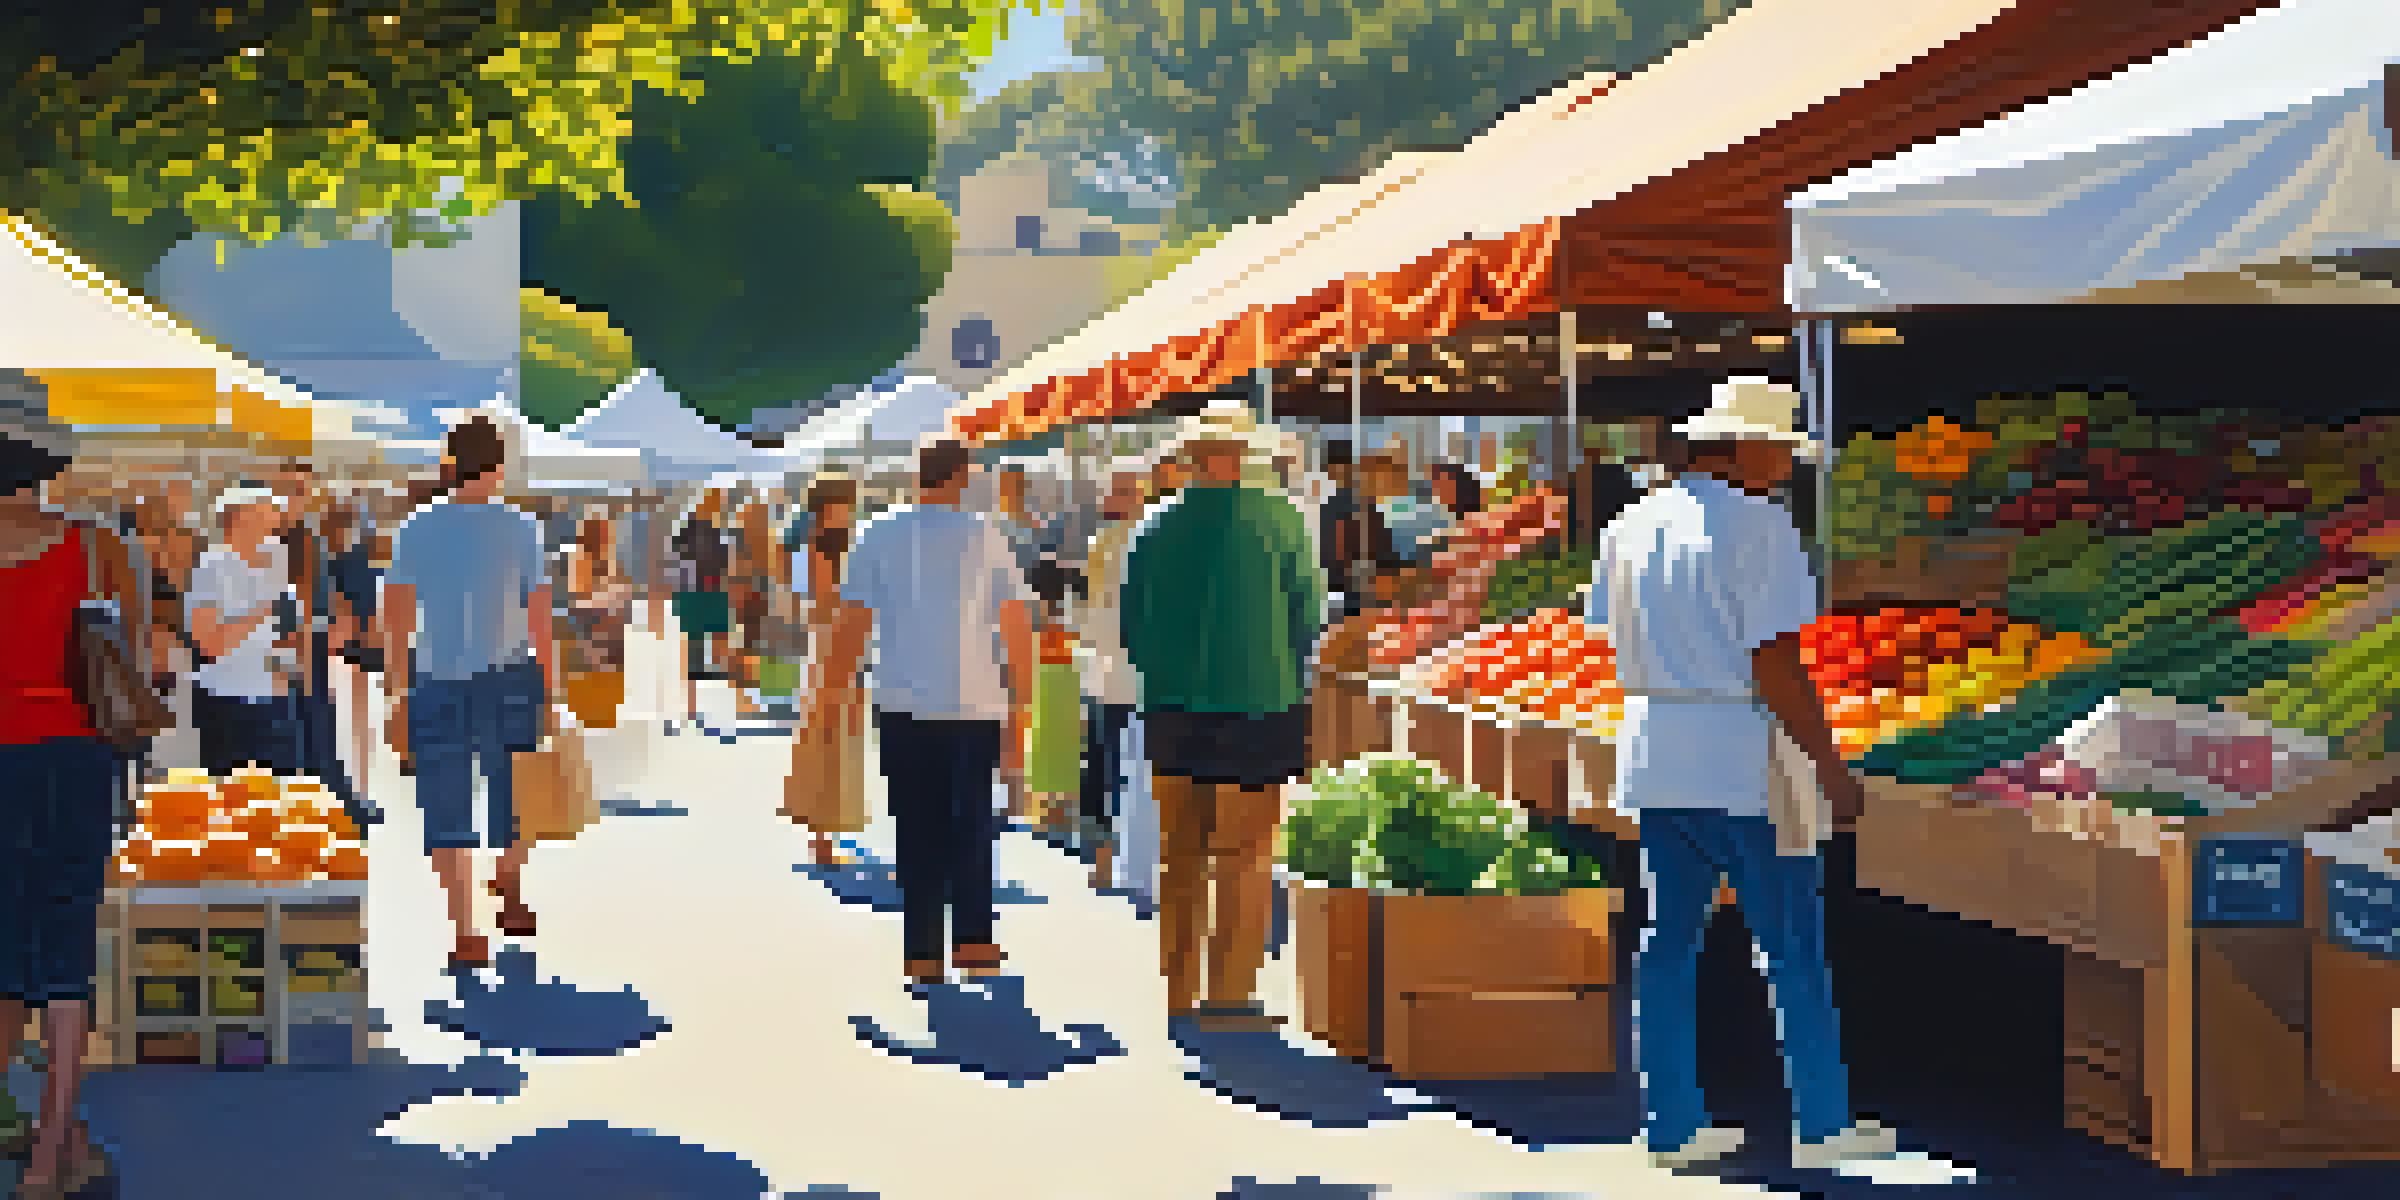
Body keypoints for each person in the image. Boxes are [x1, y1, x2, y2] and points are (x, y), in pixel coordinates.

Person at [1587, 378, 1946, 1176]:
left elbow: (1604, 634)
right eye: (1777, 446)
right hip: (1742, 756)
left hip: (1654, 750)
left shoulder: (1631, 522)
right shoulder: (1761, 528)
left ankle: (1672, 1123)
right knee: (1790, 945)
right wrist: (1829, 766)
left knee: (1667, 942)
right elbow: (1776, 663)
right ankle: (1821, 1120)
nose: (1784, 462)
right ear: (1741, 448)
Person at [1121, 405, 1324, 1032]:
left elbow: (1130, 623)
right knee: (1244, 853)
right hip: (1258, 700)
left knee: (1180, 851)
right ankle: (1230, 993)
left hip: (1173, 705)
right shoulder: (1282, 520)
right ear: (1243, 457)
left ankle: (1178, 985)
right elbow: (1308, 614)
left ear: (1190, 460)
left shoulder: (1153, 526)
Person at [813, 441, 1035, 988]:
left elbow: (852, 624)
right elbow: (1015, 624)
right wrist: (1023, 700)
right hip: (975, 700)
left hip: (903, 699)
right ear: (959, 476)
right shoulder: (984, 535)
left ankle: (922, 953)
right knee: (972, 822)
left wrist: (831, 695)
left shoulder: (878, 533)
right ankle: (975, 942)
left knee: (915, 826)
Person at [0, 373, 124, 1198]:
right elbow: (133, 664)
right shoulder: (93, 544)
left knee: (5, 958)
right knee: (67, 961)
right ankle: (52, 1158)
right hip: (72, 756)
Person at [383, 416, 558, 970]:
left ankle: (465, 928)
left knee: (445, 802)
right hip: (510, 675)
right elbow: (539, 615)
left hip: (436, 679)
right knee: (521, 794)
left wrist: (397, 691)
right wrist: (551, 685)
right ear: (501, 464)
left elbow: (396, 617)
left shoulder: (417, 528)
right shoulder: (522, 527)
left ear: (449, 463)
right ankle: (508, 881)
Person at [187, 484, 306, 777]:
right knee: (229, 808)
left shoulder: (277, 562)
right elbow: (209, 646)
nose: (278, 521)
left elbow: (286, 635)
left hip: (275, 703)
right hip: (227, 703)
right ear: (239, 518)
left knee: (282, 807)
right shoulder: (211, 567)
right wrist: (265, 609)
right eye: (267, 512)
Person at [786, 475, 869, 868]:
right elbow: (819, 607)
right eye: (846, 504)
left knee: (839, 741)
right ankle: (819, 838)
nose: (851, 512)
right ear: (827, 507)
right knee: (825, 740)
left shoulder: (838, 549)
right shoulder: (813, 550)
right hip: (827, 649)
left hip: (841, 648)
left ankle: (827, 831)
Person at [1075, 471, 1148, 891]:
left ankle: (1109, 856)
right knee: (1106, 763)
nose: (1117, 497)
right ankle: (1104, 855)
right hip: (1114, 668)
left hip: (1125, 669)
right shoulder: (1106, 542)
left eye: (1126, 489)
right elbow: (1094, 608)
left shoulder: (1123, 540)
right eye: (1115, 489)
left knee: (1110, 762)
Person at [559, 515, 633, 732]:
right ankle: (592, 719)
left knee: (608, 676)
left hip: (608, 628)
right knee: (592, 678)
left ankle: (603, 718)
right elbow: (580, 597)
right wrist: (613, 594)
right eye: (604, 533)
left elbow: (619, 592)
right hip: (589, 626)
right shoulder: (579, 560)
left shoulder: (608, 561)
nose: (609, 538)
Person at [671, 490, 733, 730]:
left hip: (712, 594)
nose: (719, 507)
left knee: (718, 648)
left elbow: (724, 562)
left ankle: (719, 701)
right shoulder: (690, 528)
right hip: (694, 596)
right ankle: (691, 707)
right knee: (693, 654)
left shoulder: (719, 530)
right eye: (718, 502)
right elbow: (677, 560)